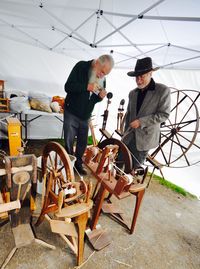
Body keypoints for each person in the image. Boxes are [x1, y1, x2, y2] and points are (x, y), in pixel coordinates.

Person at [64, 54, 114, 175]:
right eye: (102, 72)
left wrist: (100, 97)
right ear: (96, 63)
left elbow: (94, 99)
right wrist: (86, 87)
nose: (102, 75)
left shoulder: (102, 78)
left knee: (83, 142)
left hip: (85, 115)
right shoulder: (81, 66)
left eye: (105, 74)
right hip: (71, 111)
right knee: (69, 140)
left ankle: (78, 164)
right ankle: (68, 164)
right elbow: (68, 87)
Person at [122, 57, 171, 169]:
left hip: (144, 140)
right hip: (128, 137)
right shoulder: (132, 93)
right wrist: (124, 133)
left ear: (150, 73)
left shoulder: (162, 91)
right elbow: (129, 115)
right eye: (136, 77)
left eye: (142, 77)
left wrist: (141, 122)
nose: (138, 80)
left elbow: (164, 114)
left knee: (131, 171)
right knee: (118, 164)